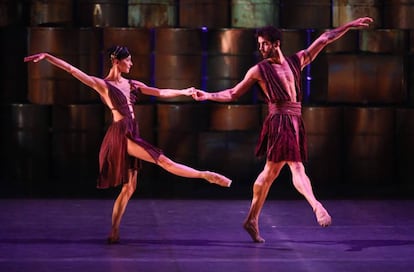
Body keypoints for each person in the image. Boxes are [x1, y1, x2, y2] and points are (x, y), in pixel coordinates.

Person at [24, 46, 232, 244]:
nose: (131, 63)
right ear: (116, 61)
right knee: (164, 162)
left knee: (130, 187)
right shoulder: (103, 85)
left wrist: (184, 92)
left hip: (133, 130)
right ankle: (205, 175)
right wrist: (48, 57)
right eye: (128, 60)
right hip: (121, 134)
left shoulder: (132, 84)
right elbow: (72, 70)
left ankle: (114, 231)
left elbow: (158, 92)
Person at [193, 17, 374, 243]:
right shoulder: (258, 70)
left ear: (276, 43)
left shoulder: (296, 61)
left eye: (264, 44)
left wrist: (348, 26)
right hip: (279, 120)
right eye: (259, 45)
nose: (260, 48)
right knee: (295, 167)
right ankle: (316, 206)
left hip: (296, 120)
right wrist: (208, 95)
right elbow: (233, 93)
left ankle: (251, 219)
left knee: (270, 174)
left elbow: (325, 39)